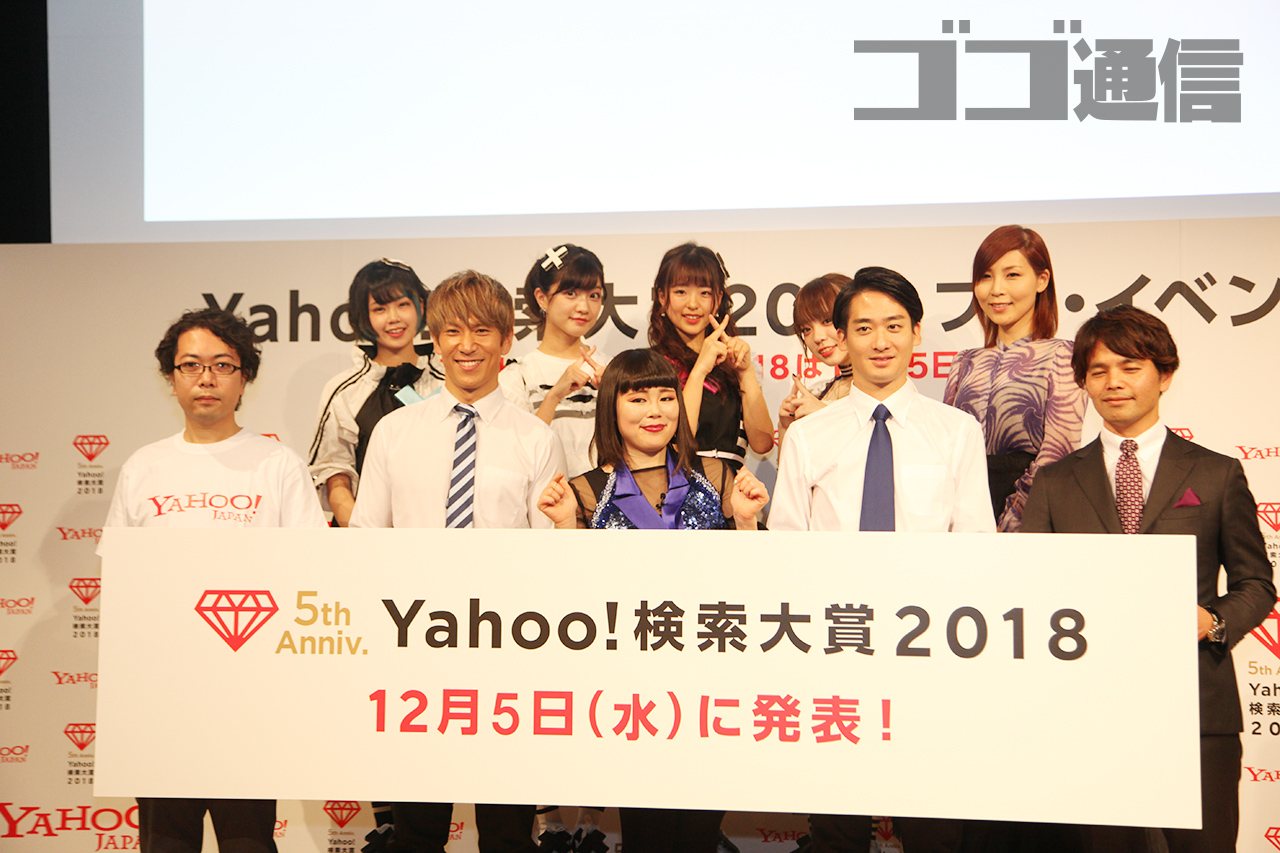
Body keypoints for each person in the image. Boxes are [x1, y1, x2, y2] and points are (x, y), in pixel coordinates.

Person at [1022, 305, 1274, 853]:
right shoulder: (1056, 481)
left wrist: (1211, 621)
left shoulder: (1216, 472)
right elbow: (1031, 588)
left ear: (1164, 375)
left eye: (1130, 367)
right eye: (1098, 371)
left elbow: (1257, 583)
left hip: (1197, 706)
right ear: (1084, 383)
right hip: (1090, 711)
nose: (1113, 382)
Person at [769, 267, 994, 853]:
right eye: (863, 327)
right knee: (837, 828)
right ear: (844, 338)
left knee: (933, 825)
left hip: (930, 650)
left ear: (917, 332)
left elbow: (976, 546)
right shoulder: (809, 436)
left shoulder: (957, 432)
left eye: (894, 326)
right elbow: (787, 548)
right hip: (836, 647)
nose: (880, 341)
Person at [351, 270, 561, 853]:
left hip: (506, 648)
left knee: (507, 830)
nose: (466, 345)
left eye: (481, 331)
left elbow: (548, 553)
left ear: (506, 340)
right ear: (435, 340)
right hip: (415, 645)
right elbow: (368, 539)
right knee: (416, 829)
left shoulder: (535, 438)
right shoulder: (394, 432)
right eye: (452, 332)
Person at [102, 307, 327, 852]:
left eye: (223, 365)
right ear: (172, 377)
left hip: (248, 695)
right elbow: (121, 580)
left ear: (244, 377)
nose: (206, 378)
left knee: (248, 842)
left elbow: (310, 572)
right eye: (191, 365)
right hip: (162, 695)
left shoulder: (278, 464)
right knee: (166, 842)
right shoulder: (143, 467)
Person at [537, 349, 768, 853]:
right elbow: (568, 597)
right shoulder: (585, 491)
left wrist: (748, 521)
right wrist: (563, 525)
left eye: (666, 397)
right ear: (611, 408)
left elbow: (757, 585)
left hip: (711, 686)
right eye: (638, 398)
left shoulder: (716, 476)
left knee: (699, 833)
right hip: (630, 692)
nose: (655, 410)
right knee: (646, 832)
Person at [943, 225, 1085, 532]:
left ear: (1042, 280)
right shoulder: (964, 361)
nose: (996, 289)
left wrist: (1012, 520)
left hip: (1032, 513)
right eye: (985, 276)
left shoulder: (1064, 355)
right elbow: (946, 449)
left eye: (1012, 275)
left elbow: (1058, 452)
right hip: (963, 510)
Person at [309, 258, 443, 527]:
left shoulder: (447, 380)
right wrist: (366, 538)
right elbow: (336, 475)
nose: (393, 318)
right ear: (364, 316)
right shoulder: (344, 390)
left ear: (421, 306)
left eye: (403, 304)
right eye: (379, 308)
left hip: (439, 534)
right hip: (364, 538)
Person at [646, 242, 773, 472]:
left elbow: (762, 444)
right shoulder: (649, 366)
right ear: (662, 297)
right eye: (681, 292)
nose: (693, 304)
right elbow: (677, 441)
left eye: (704, 293)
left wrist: (745, 373)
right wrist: (699, 371)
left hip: (731, 488)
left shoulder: (736, 361)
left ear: (718, 299)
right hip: (676, 486)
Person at [500, 244, 609, 480]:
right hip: (546, 498)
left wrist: (614, 394)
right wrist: (553, 396)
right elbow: (517, 457)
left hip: (611, 498)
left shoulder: (612, 369)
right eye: (571, 293)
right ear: (542, 298)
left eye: (594, 295)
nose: (584, 307)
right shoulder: (518, 376)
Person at [777, 273, 854, 446]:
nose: (817, 337)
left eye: (827, 320)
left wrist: (825, 415)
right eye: (806, 329)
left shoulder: (885, 388)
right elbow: (789, 464)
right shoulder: (816, 393)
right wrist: (786, 427)